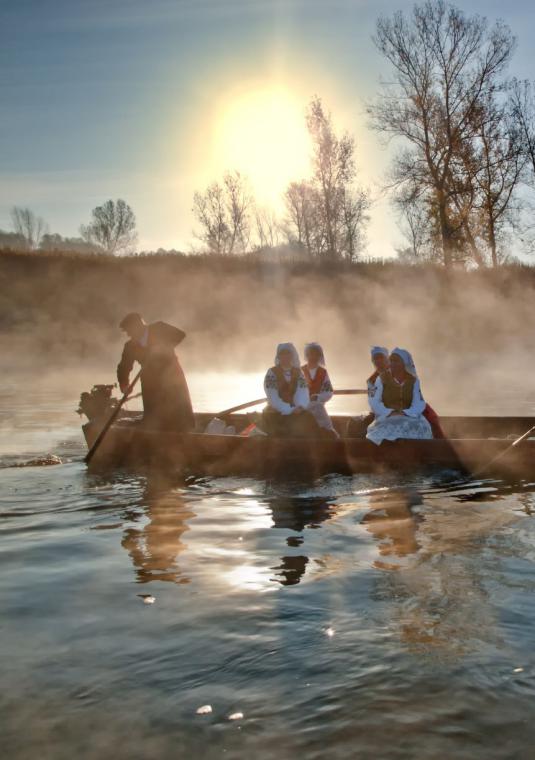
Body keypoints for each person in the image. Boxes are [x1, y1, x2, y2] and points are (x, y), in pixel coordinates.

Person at [117, 312, 194, 432]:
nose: (129, 335)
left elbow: (180, 335)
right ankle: (155, 436)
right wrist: (124, 385)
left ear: (137, 326)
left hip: (172, 376)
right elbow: (123, 367)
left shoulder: (160, 328)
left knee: (178, 411)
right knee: (153, 416)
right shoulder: (130, 346)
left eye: (129, 331)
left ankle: (183, 433)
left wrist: (163, 347)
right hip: (150, 381)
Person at [366, 347, 433, 445]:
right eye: (391, 361)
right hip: (387, 416)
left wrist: (406, 413)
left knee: (420, 426)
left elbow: (419, 403)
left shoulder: (413, 381)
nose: (392, 364)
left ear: (404, 364)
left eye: (396, 361)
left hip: (409, 416)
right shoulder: (381, 379)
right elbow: (375, 402)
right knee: (387, 427)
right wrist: (390, 412)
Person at [262, 343, 321, 437]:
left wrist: (300, 406)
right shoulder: (271, 373)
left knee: (309, 419)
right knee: (280, 428)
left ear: (292, 355)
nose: (285, 356)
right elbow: (273, 397)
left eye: (287, 353)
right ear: (278, 356)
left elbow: (303, 392)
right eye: (282, 354)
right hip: (276, 411)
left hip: (296, 410)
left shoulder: (298, 373)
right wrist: (289, 410)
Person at [301, 342, 338, 437]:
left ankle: (329, 432)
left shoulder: (323, 372)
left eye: (316, 354)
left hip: (317, 406)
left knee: (317, 406)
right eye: (311, 354)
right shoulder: (300, 372)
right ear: (307, 355)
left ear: (319, 356)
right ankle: (330, 432)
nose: (313, 357)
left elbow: (328, 392)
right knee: (317, 407)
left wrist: (318, 397)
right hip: (302, 406)